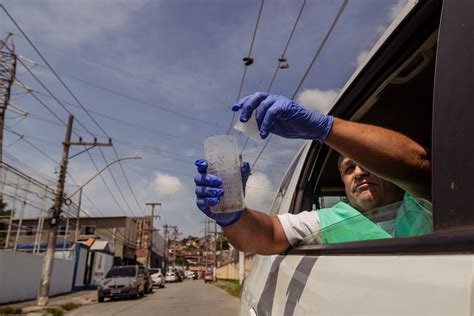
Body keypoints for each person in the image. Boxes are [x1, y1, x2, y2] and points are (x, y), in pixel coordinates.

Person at [194, 92, 431, 255]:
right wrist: (235, 216)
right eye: (349, 168)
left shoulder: (424, 200)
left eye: (366, 164)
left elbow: (417, 166)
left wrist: (324, 128)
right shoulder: (326, 221)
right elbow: (264, 235)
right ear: (343, 181)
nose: (359, 173)